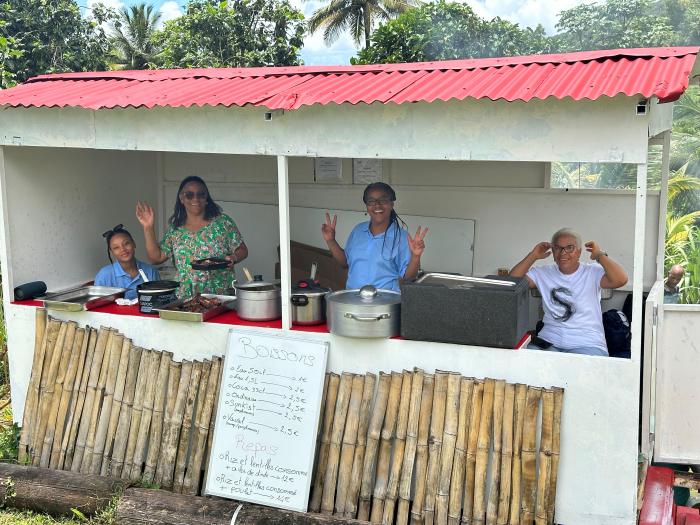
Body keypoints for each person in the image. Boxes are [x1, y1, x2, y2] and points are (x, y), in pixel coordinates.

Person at [510, 228, 628, 356]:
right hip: (549, 341)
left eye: (569, 248)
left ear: (579, 252)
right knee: (525, 362)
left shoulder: (592, 272)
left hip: (587, 344)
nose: (563, 252)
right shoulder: (543, 272)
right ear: (553, 252)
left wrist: (599, 255)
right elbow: (512, 282)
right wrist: (533, 256)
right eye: (558, 248)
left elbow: (621, 279)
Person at [136, 176, 248, 298]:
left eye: (201, 194)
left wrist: (234, 257)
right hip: (186, 299)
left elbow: (242, 250)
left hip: (220, 297)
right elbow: (156, 258)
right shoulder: (175, 229)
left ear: (207, 198)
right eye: (189, 195)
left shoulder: (223, 222)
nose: (196, 199)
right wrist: (148, 227)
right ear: (181, 198)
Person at [321, 182, 428, 292]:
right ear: (367, 206)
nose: (377, 205)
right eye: (371, 201)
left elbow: (408, 277)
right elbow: (345, 262)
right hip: (353, 301)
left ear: (391, 204)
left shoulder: (401, 237)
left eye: (383, 200)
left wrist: (416, 256)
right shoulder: (358, 230)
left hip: (384, 304)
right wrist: (331, 240)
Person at [94, 225, 160, 300]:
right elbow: (97, 306)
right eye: (116, 248)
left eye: (126, 243)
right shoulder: (104, 276)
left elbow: (158, 300)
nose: (123, 249)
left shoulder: (151, 271)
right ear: (112, 252)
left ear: (134, 244)